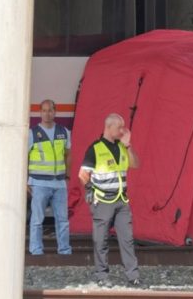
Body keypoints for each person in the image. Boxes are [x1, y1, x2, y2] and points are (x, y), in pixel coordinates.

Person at [78, 113, 141, 287]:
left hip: (121, 200)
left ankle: (133, 276)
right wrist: (90, 192)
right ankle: (102, 275)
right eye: (119, 127)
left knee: (127, 239)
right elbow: (83, 174)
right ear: (109, 127)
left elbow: (135, 164)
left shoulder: (122, 147)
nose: (123, 131)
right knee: (101, 240)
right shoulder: (95, 148)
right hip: (103, 201)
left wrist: (128, 146)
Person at [27, 99, 72, 256]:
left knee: (63, 220)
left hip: (59, 183)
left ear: (55, 112)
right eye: (44, 110)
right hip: (39, 183)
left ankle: (65, 251)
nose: (47, 113)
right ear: (40, 112)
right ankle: (36, 250)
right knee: (37, 220)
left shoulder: (64, 132)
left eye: (50, 110)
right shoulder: (32, 133)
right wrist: (25, 181)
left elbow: (68, 154)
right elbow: (23, 157)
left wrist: (67, 175)